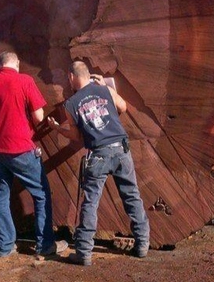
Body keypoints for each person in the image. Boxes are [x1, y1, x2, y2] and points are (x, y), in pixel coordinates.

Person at [48, 60, 150, 266]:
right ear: (88, 74)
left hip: (98, 154)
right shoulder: (105, 90)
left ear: (71, 77)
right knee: (132, 196)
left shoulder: (71, 103)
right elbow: (123, 106)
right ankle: (142, 245)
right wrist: (105, 87)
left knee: (91, 203)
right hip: (121, 149)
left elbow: (76, 137)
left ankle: (84, 252)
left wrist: (58, 128)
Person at [0, 51, 68, 258]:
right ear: (17, 63)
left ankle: (5, 247)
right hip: (21, 148)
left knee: (1, 195)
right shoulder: (25, 80)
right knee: (41, 195)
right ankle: (45, 245)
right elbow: (39, 115)